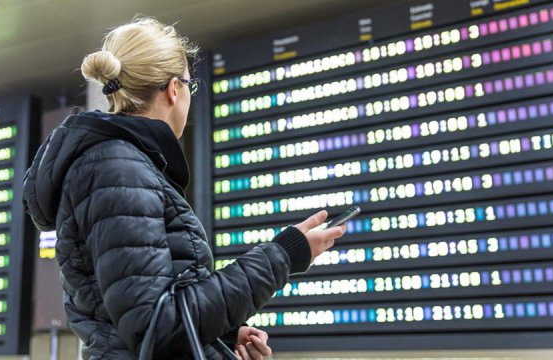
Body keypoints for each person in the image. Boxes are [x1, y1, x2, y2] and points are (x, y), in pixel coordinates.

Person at [23, 16, 345, 360]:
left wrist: (220, 335)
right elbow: (154, 329)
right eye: (190, 87)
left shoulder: (121, 164)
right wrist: (280, 257)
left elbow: (137, 314)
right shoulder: (118, 168)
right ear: (173, 89)